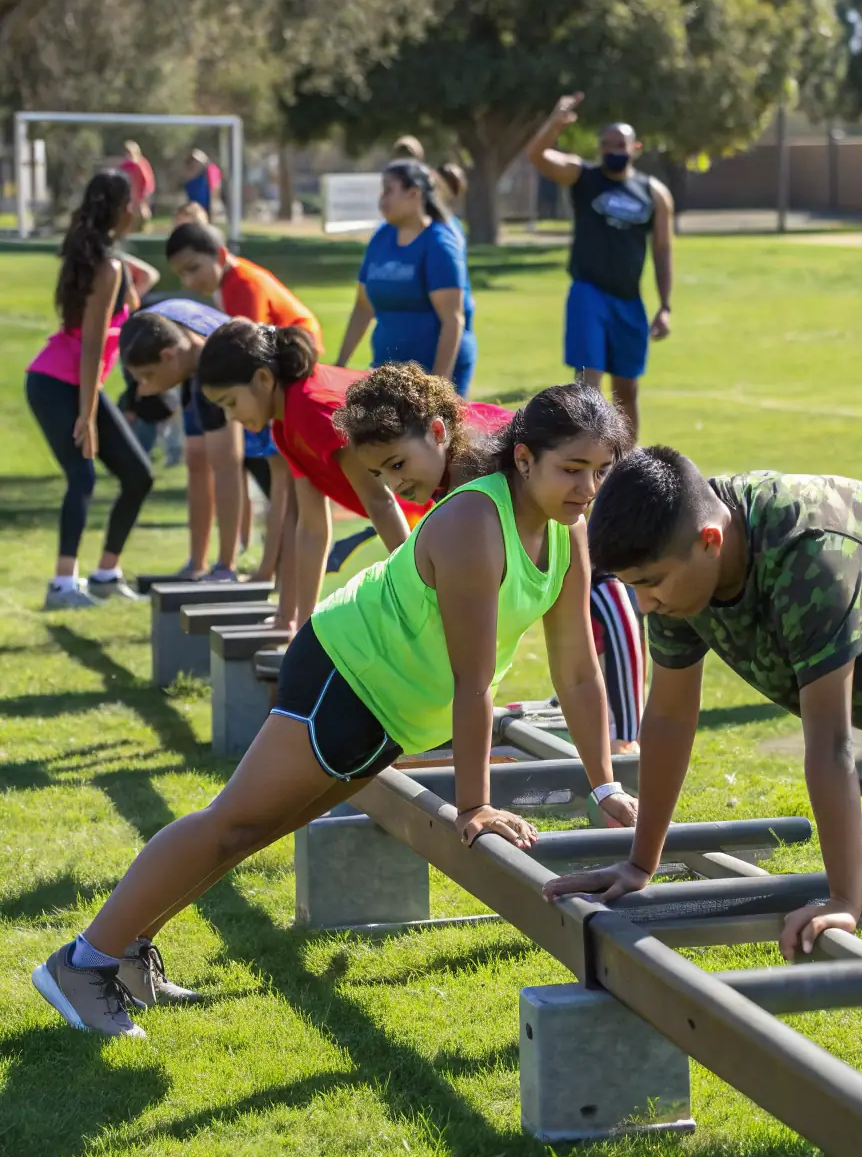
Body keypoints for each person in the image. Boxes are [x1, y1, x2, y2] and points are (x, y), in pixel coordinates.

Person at [31, 384, 639, 1036]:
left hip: (394, 710)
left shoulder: (569, 531)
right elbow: (474, 677)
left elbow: (577, 668)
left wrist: (602, 780)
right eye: (572, 468)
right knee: (232, 823)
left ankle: (124, 950)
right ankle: (82, 960)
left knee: (252, 833)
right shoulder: (474, 523)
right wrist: (473, 807)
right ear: (523, 457)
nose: (588, 487)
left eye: (600, 471)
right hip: (344, 674)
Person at [544, 449, 862, 952]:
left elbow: (831, 742)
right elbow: (668, 716)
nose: (645, 604)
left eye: (650, 584)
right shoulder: (676, 560)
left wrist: (842, 898)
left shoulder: (808, 554)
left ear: (710, 541)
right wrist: (641, 862)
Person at [337, 362, 647, 750]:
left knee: (608, 606)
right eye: (381, 473)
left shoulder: (474, 478)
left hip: (594, 547)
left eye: (398, 465)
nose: (395, 483)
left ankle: (626, 746)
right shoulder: (454, 480)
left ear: (438, 433)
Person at [196, 321, 427, 631]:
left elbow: (380, 501)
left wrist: (419, 589)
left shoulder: (310, 408)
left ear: (263, 379)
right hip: (433, 510)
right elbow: (311, 528)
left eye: (231, 402)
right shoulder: (285, 425)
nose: (231, 417)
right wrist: (303, 629)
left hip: (463, 481)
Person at [25, 171, 156, 609]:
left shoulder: (104, 261)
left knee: (138, 477)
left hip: (71, 382)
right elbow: (92, 345)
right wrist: (87, 415)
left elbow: (144, 283)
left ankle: (105, 575)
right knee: (81, 476)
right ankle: (63, 586)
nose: (138, 209)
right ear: (121, 210)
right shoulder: (107, 266)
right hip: (61, 383)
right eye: (133, 202)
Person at [526, 93, 674, 433]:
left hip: (629, 300)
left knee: (627, 391)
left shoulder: (654, 193)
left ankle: (627, 469)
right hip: (589, 293)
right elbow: (537, 155)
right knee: (587, 388)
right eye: (606, 144)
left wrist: (665, 305)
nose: (612, 150)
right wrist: (555, 122)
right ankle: (589, 467)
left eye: (619, 144)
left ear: (635, 147)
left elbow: (663, 250)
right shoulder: (584, 177)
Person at [119, 304, 290, 595]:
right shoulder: (149, 336)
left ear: (167, 356)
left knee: (229, 461)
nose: (144, 388)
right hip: (196, 359)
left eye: (147, 377)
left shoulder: (213, 362)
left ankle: (227, 565)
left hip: (232, 367)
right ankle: (196, 564)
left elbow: (228, 466)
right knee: (197, 455)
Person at [336, 161, 475, 397]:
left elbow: (453, 321)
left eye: (389, 191)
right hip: (388, 371)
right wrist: (339, 365)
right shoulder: (381, 238)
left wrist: (438, 389)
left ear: (414, 194)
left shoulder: (440, 244)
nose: (382, 199)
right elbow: (363, 307)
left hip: (433, 374)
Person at [165, 223, 324, 354]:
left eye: (193, 268)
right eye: (181, 274)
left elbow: (248, 345)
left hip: (298, 347)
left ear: (221, 256)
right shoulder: (225, 279)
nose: (188, 282)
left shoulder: (244, 284)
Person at [119, 141, 155, 231]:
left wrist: (143, 197)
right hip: (128, 198)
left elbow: (147, 182)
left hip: (139, 198)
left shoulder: (141, 164)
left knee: (142, 218)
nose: (127, 155)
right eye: (126, 152)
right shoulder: (124, 166)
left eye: (129, 152)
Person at [182, 150, 222, 219]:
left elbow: (215, 188)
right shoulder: (190, 175)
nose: (195, 163)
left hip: (206, 206)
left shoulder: (211, 170)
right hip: (193, 206)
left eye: (197, 161)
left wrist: (214, 204)